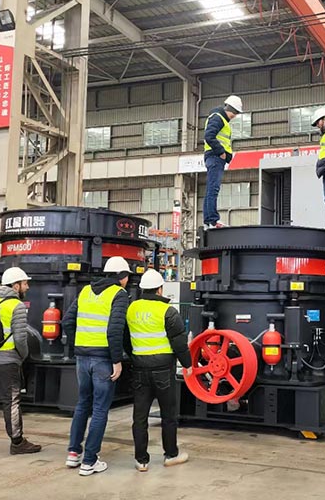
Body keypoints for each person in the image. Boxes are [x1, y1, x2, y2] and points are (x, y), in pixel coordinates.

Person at [62, 256, 130, 476]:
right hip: (102, 358)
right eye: (127, 276)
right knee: (100, 409)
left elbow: (67, 322)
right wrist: (117, 360)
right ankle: (89, 461)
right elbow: (115, 330)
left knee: (83, 404)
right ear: (121, 276)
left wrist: (79, 345)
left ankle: (74, 453)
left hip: (82, 357)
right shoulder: (119, 294)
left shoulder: (85, 291)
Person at [125, 269, 193, 472]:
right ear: (160, 289)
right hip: (164, 370)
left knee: (140, 416)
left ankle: (141, 460)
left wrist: (135, 355)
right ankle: (171, 454)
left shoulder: (131, 309)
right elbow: (180, 343)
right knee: (168, 415)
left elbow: (125, 339)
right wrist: (188, 365)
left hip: (139, 368)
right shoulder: (168, 311)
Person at [0, 267, 42, 457]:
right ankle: (17, 442)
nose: (27, 287)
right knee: (11, 402)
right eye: (25, 283)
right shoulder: (16, 306)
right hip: (6, 361)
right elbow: (21, 338)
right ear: (15, 285)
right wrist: (22, 356)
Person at [203, 95, 243, 229]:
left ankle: (209, 220)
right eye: (235, 112)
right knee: (213, 189)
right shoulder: (218, 118)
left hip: (214, 157)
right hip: (215, 157)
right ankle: (213, 221)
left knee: (211, 188)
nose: (235, 116)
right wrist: (221, 152)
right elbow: (209, 136)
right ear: (230, 109)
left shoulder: (220, 119)